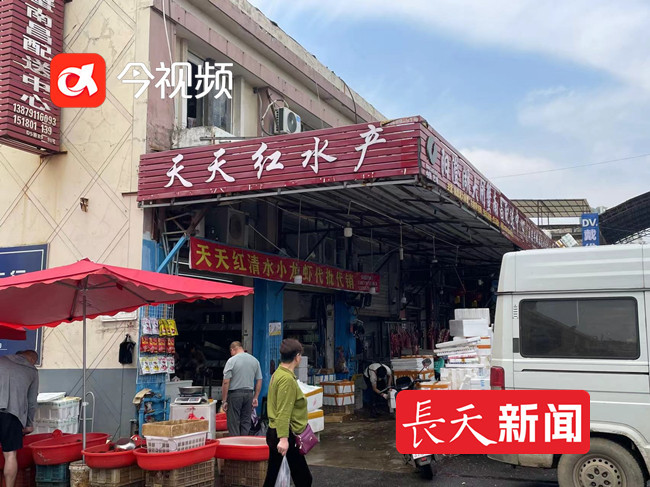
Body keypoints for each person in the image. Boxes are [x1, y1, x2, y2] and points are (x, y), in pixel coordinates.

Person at [263, 339, 312, 487]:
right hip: (285, 433)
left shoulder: (278, 373)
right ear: (297, 357)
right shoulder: (287, 380)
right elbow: (284, 411)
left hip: (276, 430)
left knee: (273, 476)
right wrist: (284, 439)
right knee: (304, 479)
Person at [0, 350, 39, 487]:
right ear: (32, 360)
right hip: (13, 415)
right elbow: (32, 401)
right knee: (10, 454)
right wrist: (29, 423)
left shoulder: (2, 360)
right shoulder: (32, 371)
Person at [221, 341, 262, 436]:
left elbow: (226, 382)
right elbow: (259, 380)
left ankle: (235, 443)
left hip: (235, 395)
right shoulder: (254, 360)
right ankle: (244, 442)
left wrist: (224, 400)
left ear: (232, 350)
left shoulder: (231, 361)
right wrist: (255, 397)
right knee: (246, 421)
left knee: (233, 422)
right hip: (249, 395)